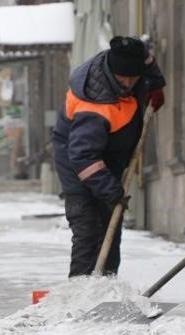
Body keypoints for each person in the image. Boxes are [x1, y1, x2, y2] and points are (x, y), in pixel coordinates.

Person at [52, 35, 165, 277]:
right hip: (79, 165)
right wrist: (112, 192)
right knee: (88, 229)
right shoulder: (93, 105)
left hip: (110, 157)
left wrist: (155, 85)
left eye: (134, 77)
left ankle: (107, 285)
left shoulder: (136, 60)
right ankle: (80, 288)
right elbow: (82, 157)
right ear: (112, 71)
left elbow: (146, 60)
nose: (128, 83)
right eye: (122, 78)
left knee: (110, 229)